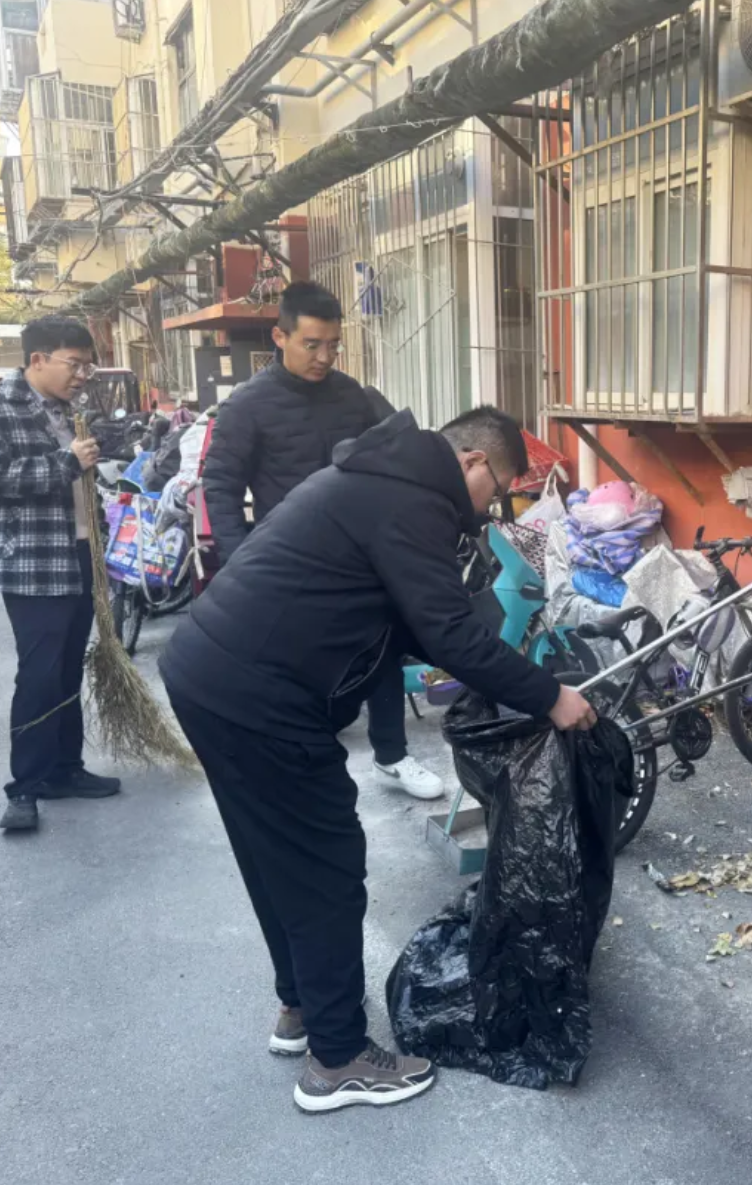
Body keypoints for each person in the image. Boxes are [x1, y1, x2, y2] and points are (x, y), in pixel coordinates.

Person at [160, 404, 598, 1112]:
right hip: (259, 694)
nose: (492, 509)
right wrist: (549, 696)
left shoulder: (381, 479)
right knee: (324, 864)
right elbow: (447, 630)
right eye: (498, 489)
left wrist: (499, 673)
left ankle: (303, 1006)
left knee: (274, 858)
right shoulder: (411, 500)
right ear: (473, 462)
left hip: (209, 672)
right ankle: (337, 1059)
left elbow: (414, 621)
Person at [200, 281, 444, 801]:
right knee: (295, 668)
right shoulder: (247, 405)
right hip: (287, 561)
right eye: (312, 344)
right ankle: (298, 764)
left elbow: (390, 460)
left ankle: (392, 756)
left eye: (333, 344)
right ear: (280, 337)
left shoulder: (350, 395)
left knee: (381, 646)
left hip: (358, 554)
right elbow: (220, 485)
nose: (324, 357)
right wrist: (240, 561)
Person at [0, 319, 121, 834]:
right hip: (33, 561)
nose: (82, 375)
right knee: (39, 673)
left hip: (79, 553)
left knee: (69, 668)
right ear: (38, 359)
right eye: (75, 364)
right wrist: (65, 462)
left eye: (87, 365)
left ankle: (64, 769)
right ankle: (25, 788)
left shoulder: (69, 409)